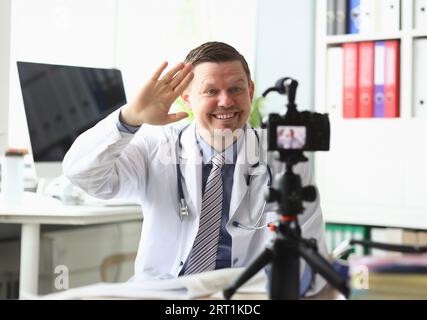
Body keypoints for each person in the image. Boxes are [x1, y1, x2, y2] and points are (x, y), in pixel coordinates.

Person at [63, 41, 328, 296]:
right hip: (163, 295)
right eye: (211, 91)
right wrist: (128, 119)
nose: (225, 102)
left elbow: (308, 265)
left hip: (244, 297)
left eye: (236, 89)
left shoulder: (284, 159)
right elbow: (82, 174)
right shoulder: (155, 145)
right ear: (186, 98)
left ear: (250, 90)